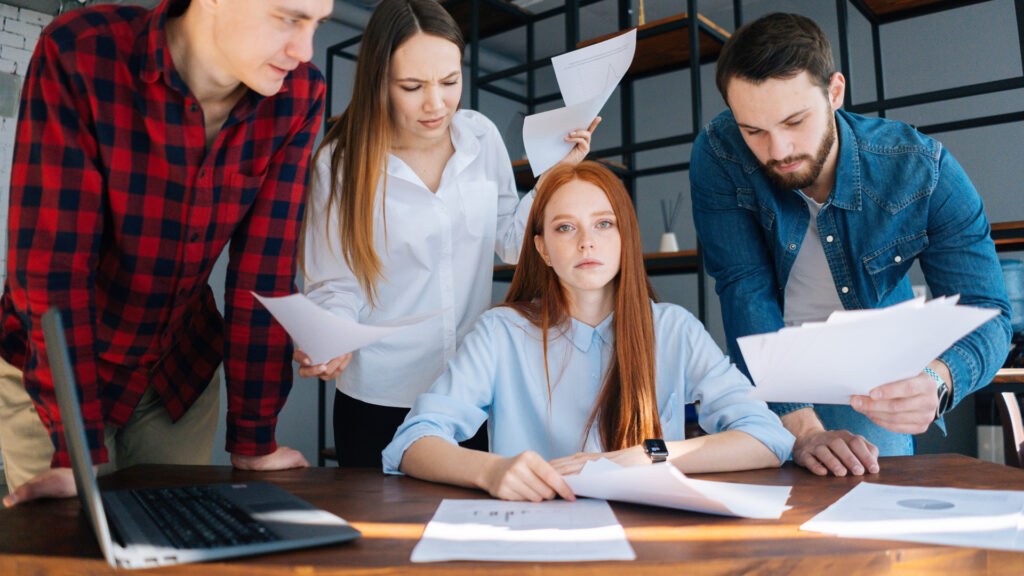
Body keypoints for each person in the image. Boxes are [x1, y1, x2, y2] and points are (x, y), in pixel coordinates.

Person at [0, 0, 332, 508]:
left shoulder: (300, 94)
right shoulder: (81, 52)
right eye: (288, 17)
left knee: (180, 544)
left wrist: (253, 439)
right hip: (55, 375)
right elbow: (53, 271)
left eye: (317, 24)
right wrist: (75, 448)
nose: (304, 50)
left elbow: (263, 272)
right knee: (77, 550)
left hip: (180, 371)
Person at [689, 12, 1012, 477]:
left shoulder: (922, 170)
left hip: (871, 371)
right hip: (767, 356)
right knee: (767, 512)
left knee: (870, 504)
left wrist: (939, 381)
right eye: (754, 131)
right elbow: (743, 287)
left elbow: (991, 310)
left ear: (835, 92)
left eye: (795, 121)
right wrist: (801, 428)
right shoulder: (719, 152)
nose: (777, 150)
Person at [299, 0, 599, 467]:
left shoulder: (480, 138)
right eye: (412, 86)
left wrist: (553, 179)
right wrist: (331, 336)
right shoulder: (339, 164)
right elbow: (333, 281)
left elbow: (508, 241)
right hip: (378, 395)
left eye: (450, 82)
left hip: (468, 390)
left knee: (466, 530)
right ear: (379, 80)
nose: (436, 103)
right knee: (383, 535)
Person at [381, 161, 794, 499]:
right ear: (542, 248)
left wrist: (645, 456)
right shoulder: (499, 332)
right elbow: (410, 442)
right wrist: (490, 470)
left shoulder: (673, 328)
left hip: (649, 541)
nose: (586, 243)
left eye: (603, 224)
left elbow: (766, 438)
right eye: (565, 227)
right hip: (534, 539)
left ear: (625, 237)